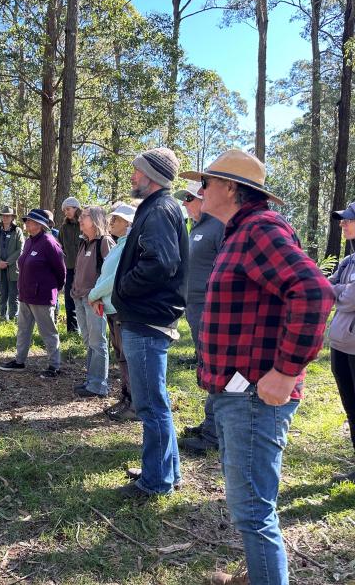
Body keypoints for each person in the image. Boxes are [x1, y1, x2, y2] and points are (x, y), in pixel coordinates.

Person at [183, 149, 334, 585]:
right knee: (249, 504)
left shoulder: (259, 229)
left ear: (231, 188)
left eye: (208, 182)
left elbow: (314, 292)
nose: (201, 189)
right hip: (237, 392)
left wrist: (286, 371)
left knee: (253, 510)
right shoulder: (239, 231)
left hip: (254, 394)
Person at [111, 147, 187, 499]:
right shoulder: (159, 208)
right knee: (157, 402)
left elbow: (161, 263)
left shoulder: (159, 210)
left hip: (146, 319)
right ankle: (167, 471)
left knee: (150, 405)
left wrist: (123, 287)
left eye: (137, 172)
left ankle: (156, 482)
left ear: (152, 176)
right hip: (148, 318)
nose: (132, 177)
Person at [172, 181, 225, 456]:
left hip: (210, 308)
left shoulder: (219, 226)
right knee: (206, 365)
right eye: (185, 199)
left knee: (215, 367)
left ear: (205, 198)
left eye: (190, 198)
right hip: (195, 308)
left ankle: (214, 433)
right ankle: (210, 422)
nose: (186, 204)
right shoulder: (197, 228)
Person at [0, 209, 66, 379]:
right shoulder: (29, 242)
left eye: (30, 221)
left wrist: (53, 289)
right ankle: (19, 361)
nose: (26, 223)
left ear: (39, 224)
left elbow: (61, 271)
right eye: (27, 220)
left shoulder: (49, 242)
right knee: (23, 330)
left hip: (42, 296)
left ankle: (54, 365)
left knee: (48, 331)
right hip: (25, 295)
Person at [88, 203, 137, 420]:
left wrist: (93, 295)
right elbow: (104, 274)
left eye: (116, 220)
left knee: (127, 357)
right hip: (111, 307)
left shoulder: (128, 247)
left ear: (128, 224)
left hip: (120, 308)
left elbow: (113, 278)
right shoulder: (120, 245)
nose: (111, 222)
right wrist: (97, 295)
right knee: (121, 356)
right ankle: (127, 397)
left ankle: (134, 403)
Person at [71, 206, 115, 397]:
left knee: (98, 342)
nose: (81, 219)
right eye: (81, 216)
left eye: (85, 216)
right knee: (89, 341)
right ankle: (91, 380)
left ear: (96, 219)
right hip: (79, 298)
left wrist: (96, 295)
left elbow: (111, 272)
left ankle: (98, 385)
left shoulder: (105, 242)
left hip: (95, 301)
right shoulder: (83, 243)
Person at [329, 201, 355, 484]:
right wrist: (340, 290)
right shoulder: (348, 261)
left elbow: (349, 298)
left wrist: (338, 291)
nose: (342, 223)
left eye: (348, 219)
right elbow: (331, 290)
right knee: (350, 405)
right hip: (340, 343)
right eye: (343, 220)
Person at [0, 206, 24, 321]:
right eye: (3, 215)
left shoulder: (17, 231)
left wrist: (7, 262)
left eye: (8, 215)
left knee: (14, 295)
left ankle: (14, 318)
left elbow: (20, 249)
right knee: (2, 295)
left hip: (13, 268)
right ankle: (2, 317)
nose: (5, 217)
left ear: (12, 217)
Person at [58, 197, 82, 332]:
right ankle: (72, 331)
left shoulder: (84, 224)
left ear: (76, 208)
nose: (66, 212)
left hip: (85, 269)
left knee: (83, 299)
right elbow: (60, 246)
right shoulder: (63, 228)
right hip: (70, 269)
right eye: (64, 210)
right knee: (69, 300)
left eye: (68, 209)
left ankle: (86, 330)